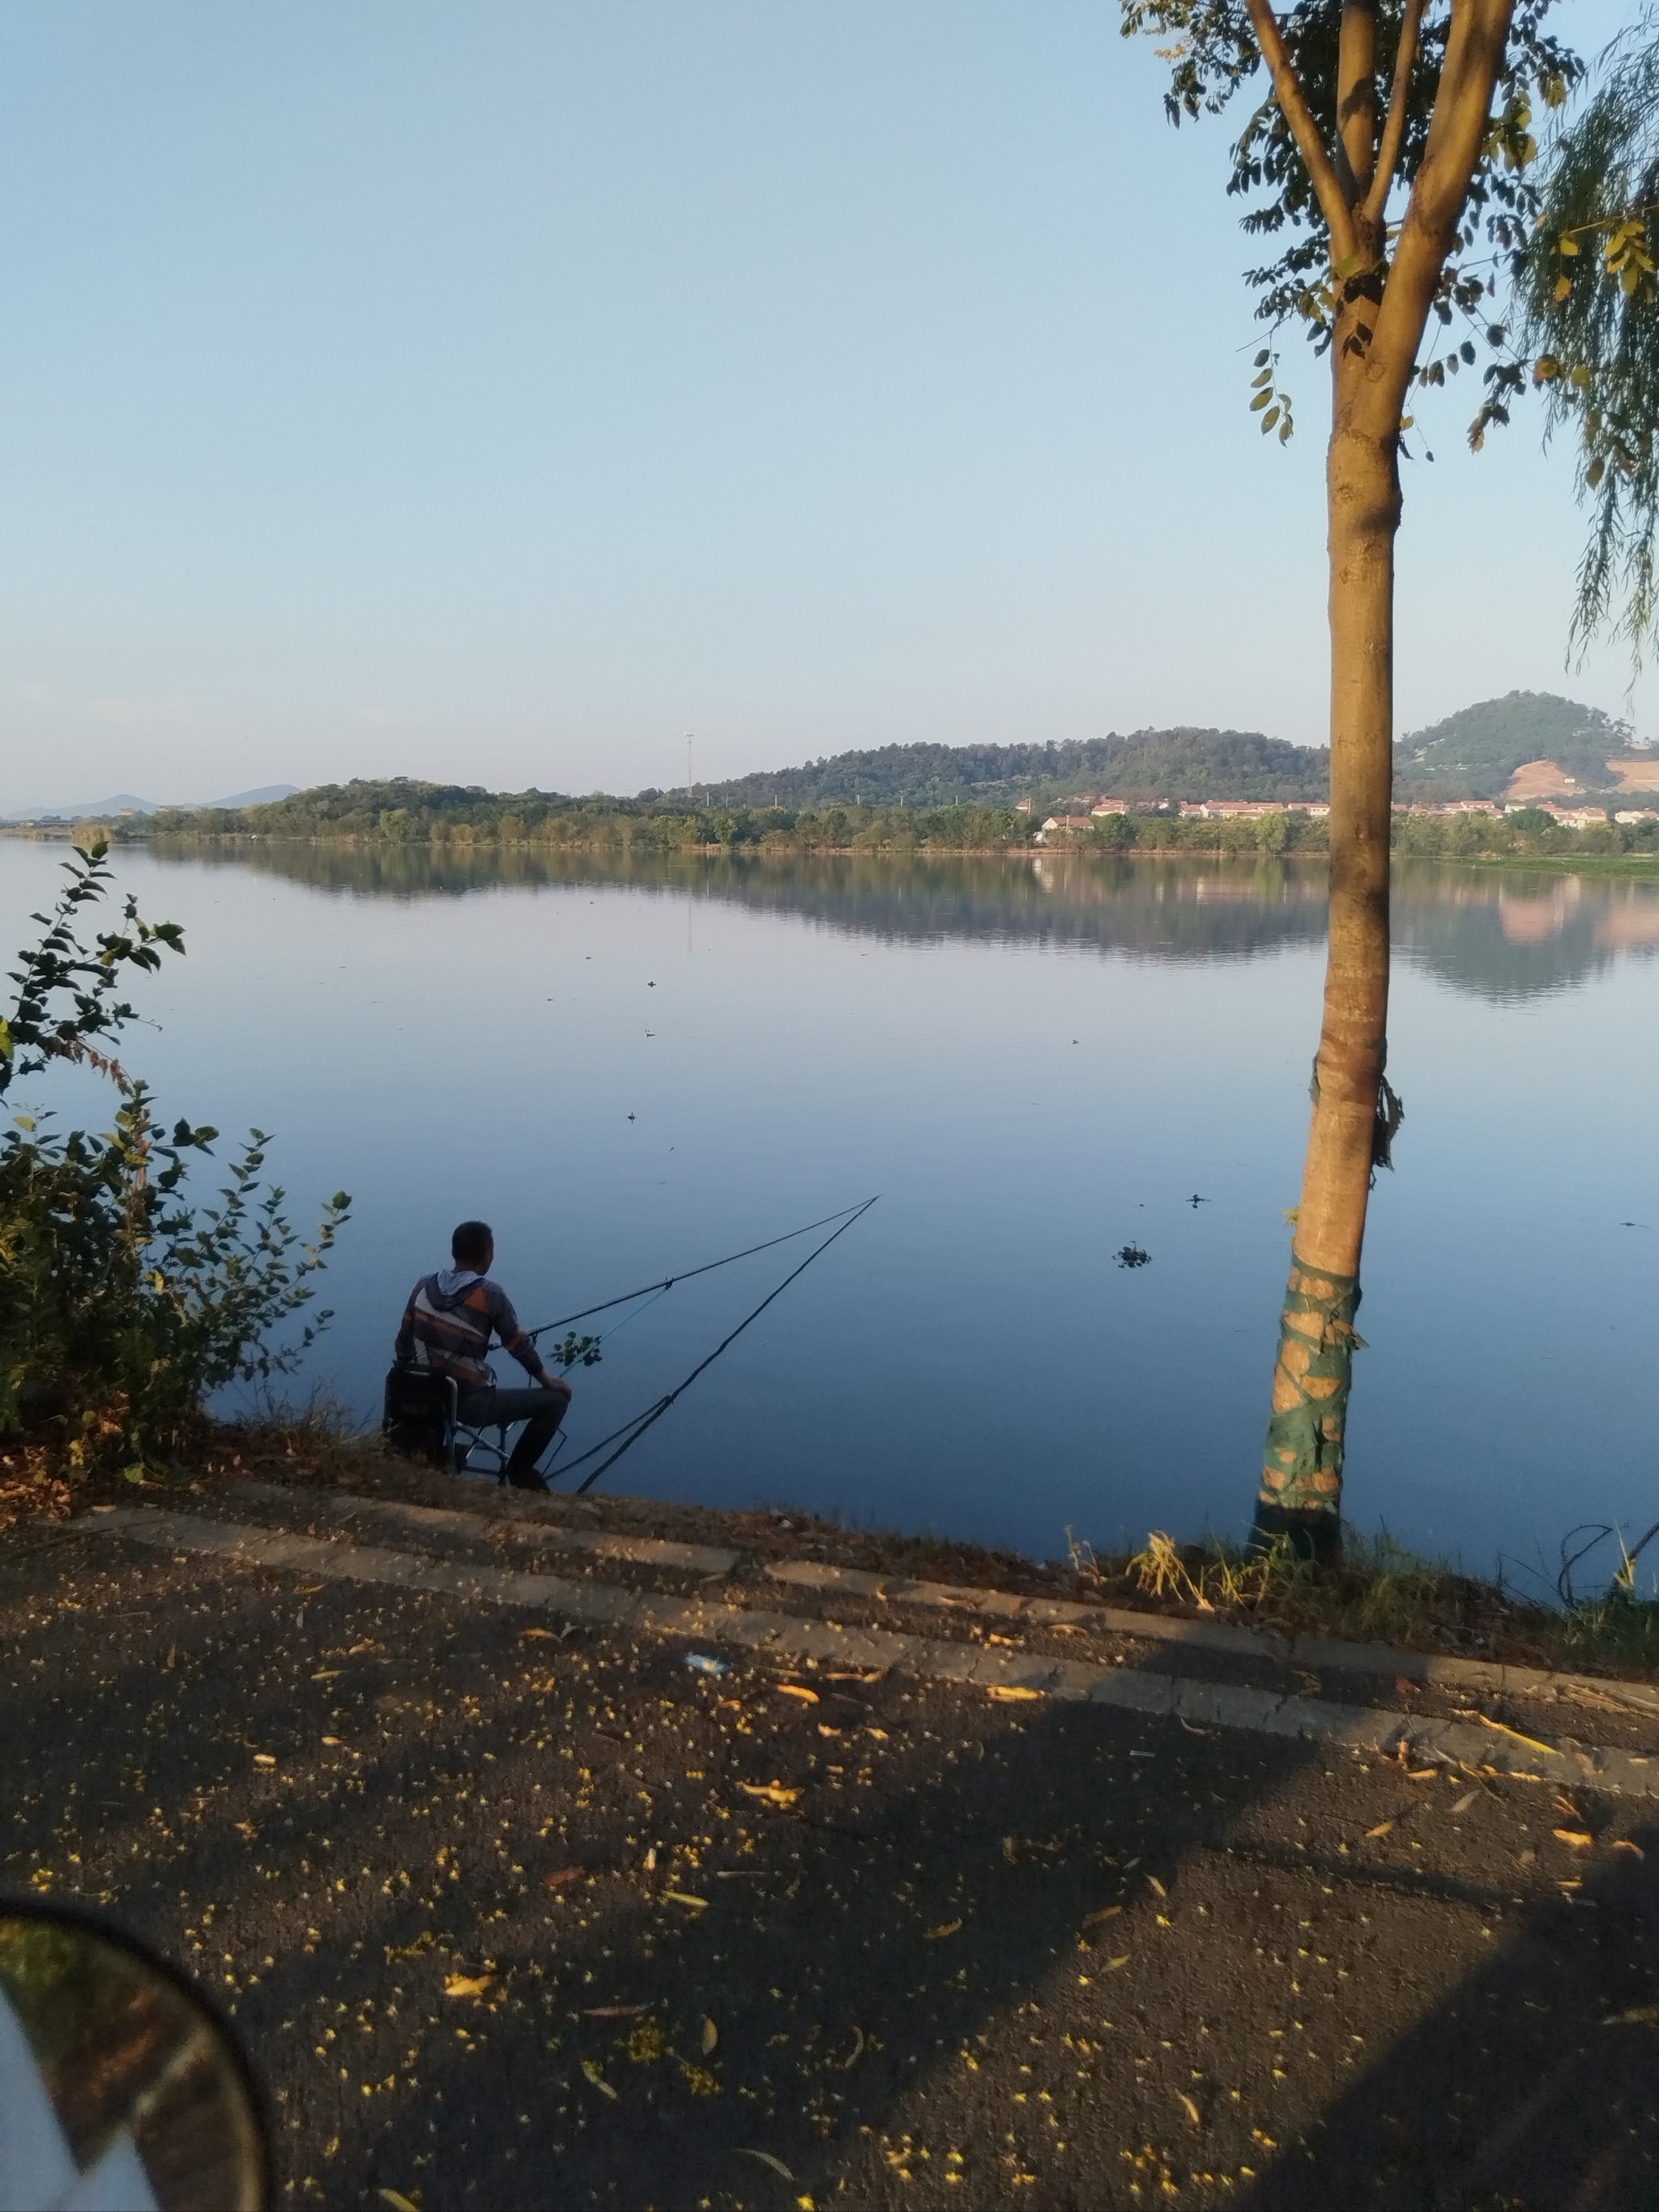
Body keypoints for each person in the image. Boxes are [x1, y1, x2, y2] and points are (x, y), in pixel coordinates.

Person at [394, 1220, 571, 1491]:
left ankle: (435, 1450)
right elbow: (516, 1344)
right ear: (487, 1256)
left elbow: (402, 1345)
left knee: (438, 1384)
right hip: (470, 1404)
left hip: (426, 1400)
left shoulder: (422, 1287)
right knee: (557, 1400)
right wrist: (545, 1379)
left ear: (455, 1251)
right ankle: (520, 1471)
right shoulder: (490, 1293)